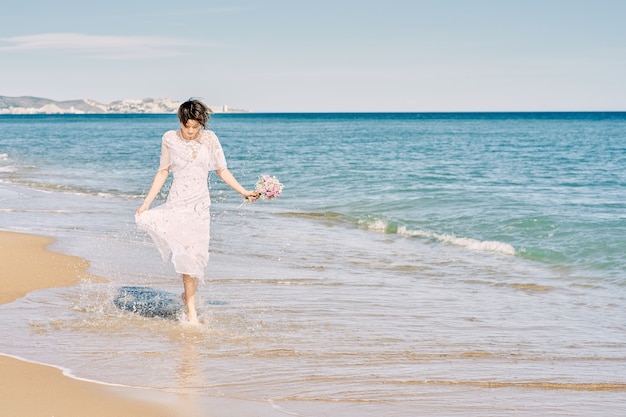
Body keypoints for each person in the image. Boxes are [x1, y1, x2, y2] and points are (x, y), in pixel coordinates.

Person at [135, 99, 259, 324]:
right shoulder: (169, 138)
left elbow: (222, 170)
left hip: (200, 207)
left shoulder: (210, 139)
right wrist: (146, 204)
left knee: (197, 257)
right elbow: (163, 172)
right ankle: (191, 312)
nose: (191, 131)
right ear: (180, 121)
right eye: (187, 126)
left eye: (196, 126)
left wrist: (243, 191)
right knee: (185, 255)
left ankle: (187, 296)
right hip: (178, 205)